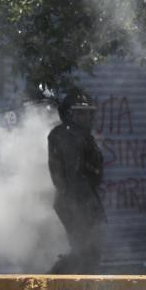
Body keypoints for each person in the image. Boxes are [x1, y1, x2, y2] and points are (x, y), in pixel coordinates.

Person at [47, 90, 106, 273]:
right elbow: (73, 176)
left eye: (88, 112)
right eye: (80, 112)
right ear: (69, 113)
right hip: (77, 202)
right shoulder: (68, 135)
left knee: (88, 253)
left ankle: (70, 289)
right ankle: (51, 284)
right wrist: (84, 208)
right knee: (86, 253)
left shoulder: (77, 134)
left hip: (81, 200)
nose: (86, 116)